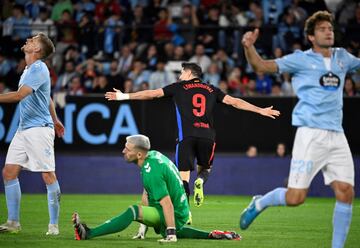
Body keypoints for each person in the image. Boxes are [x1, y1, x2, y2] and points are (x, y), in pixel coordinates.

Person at [239, 11, 359, 248]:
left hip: (337, 134)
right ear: (311, 37)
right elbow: (261, 66)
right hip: (310, 134)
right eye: (323, 29)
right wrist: (249, 48)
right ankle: (260, 203)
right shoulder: (299, 59)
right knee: (296, 198)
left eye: (330, 28)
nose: (328, 32)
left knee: (346, 191)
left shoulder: (343, 57)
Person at [105, 62, 280, 211]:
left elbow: (152, 94)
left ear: (189, 73)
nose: (180, 75)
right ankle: (201, 183)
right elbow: (235, 101)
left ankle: (185, 214)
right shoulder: (212, 89)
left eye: (182, 72)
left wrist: (123, 96)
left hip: (186, 137)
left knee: (183, 178)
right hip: (207, 137)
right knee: (205, 170)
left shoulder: (178, 87)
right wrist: (260, 110)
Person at [72, 134, 240, 243]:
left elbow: (166, 203)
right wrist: (143, 227)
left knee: (133, 211)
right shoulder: (151, 157)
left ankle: (89, 233)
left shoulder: (150, 169)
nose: (123, 151)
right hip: (178, 211)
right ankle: (212, 235)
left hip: (174, 212)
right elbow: (147, 192)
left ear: (139, 154)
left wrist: (172, 233)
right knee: (152, 220)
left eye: (127, 149)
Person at [0, 33, 64, 235]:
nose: (28, 40)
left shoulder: (38, 68)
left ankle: (53, 226)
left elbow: (19, 96)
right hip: (24, 128)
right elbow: (47, 97)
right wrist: (56, 119)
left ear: (37, 50)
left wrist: (51, 122)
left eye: (33, 40)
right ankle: (13, 222)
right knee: (9, 172)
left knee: (48, 175)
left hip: (38, 129)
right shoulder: (29, 69)